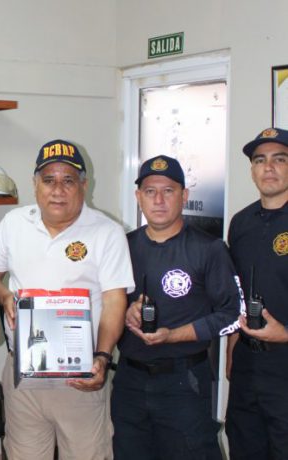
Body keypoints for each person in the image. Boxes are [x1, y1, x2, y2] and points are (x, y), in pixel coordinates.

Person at [0, 139, 134, 460]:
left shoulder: (107, 232)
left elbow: (114, 302)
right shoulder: (14, 223)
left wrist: (103, 356)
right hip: (24, 371)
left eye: (68, 181)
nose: (58, 190)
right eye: (49, 180)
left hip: (80, 374)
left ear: (84, 185)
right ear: (35, 184)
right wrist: (5, 295)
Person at [111, 155, 240, 460]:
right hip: (130, 379)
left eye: (168, 191)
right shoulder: (121, 246)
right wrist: (125, 310)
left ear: (184, 196)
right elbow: (104, 301)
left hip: (184, 382)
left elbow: (232, 314)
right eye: (150, 191)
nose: (158, 200)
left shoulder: (209, 249)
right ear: (138, 197)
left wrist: (174, 335)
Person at [225, 128, 288, 459]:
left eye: (280, 159)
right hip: (247, 365)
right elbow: (235, 291)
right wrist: (232, 348)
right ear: (252, 170)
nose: (269, 167)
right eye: (260, 160)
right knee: (244, 446)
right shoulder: (241, 223)